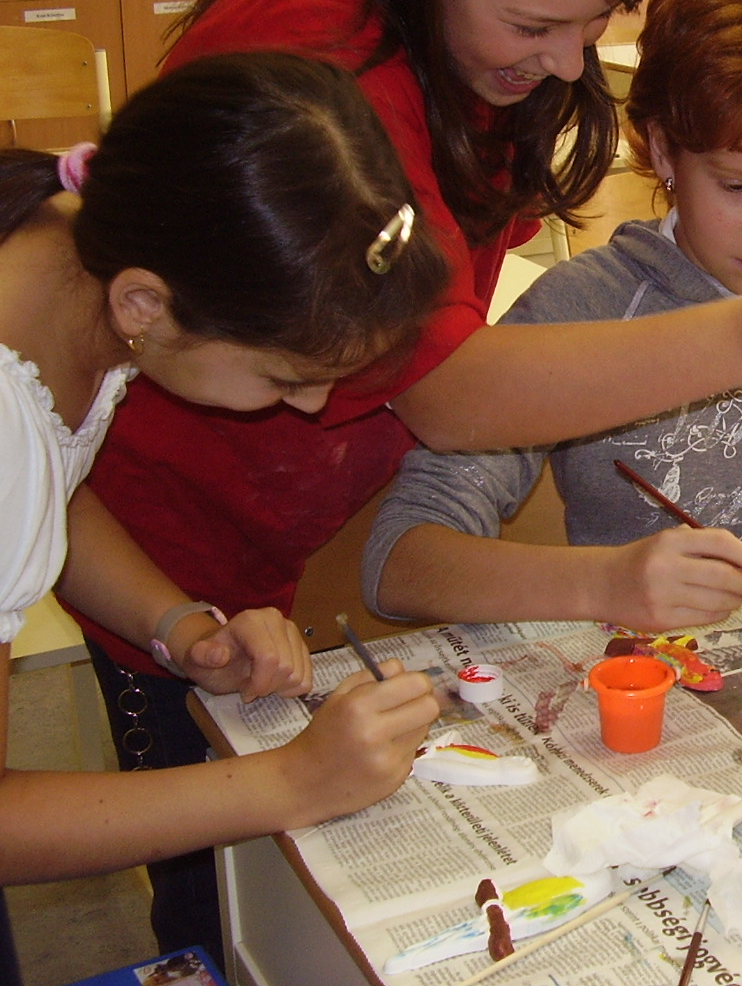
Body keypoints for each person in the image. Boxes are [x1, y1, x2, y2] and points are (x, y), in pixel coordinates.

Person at [74, 0, 742, 955]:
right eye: (535, 25)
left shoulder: (480, 59)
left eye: (591, 24)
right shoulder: (319, 59)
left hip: (273, 576)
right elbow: (447, 399)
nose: (571, 64)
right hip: (178, 547)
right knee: (220, 898)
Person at [0, 53, 447, 969]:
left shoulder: (83, 245)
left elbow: (50, 495)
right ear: (145, 304)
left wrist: (177, 625)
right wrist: (291, 782)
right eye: (286, 377)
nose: (314, 409)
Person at [362, 0, 742, 631]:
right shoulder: (581, 310)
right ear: (663, 150)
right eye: (737, 185)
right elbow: (398, 561)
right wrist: (606, 583)